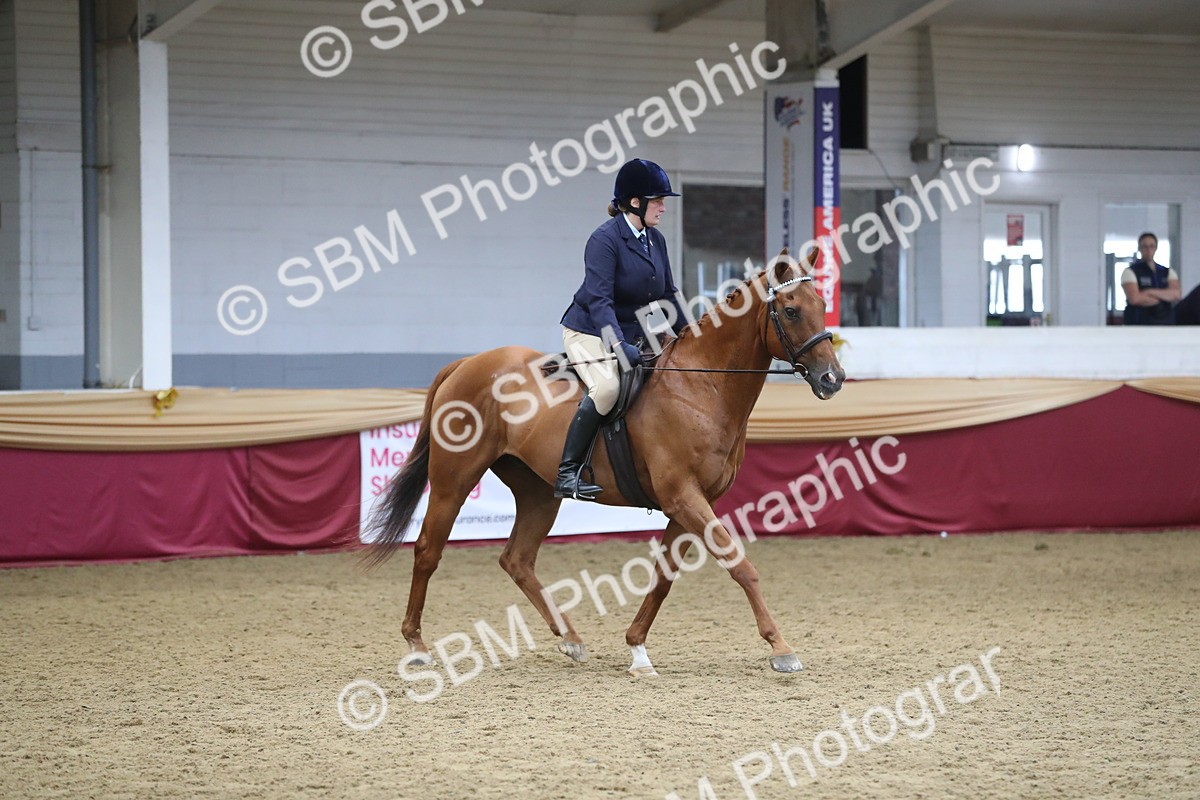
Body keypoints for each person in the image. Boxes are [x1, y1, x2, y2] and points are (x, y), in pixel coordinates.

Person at [555, 158, 690, 501]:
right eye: (658, 200)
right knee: (607, 388)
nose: (663, 207)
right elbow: (600, 302)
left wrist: (693, 334)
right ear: (635, 202)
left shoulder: (655, 240)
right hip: (590, 330)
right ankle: (567, 473)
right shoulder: (604, 240)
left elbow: (669, 293)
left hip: (634, 330)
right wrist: (617, 347)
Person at [1122, 232, 1181, 325]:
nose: (1148, 250)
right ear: (1139, 248)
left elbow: (1176, 295)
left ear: (1156, 248)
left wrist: (1149, 292)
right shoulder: (1130, 272)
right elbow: (1134, 298)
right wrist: (1164, 297)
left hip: (1165, 323)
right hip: (1139, 323)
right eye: (1144, 246)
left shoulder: (1168, 272)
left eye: (1151, 246)